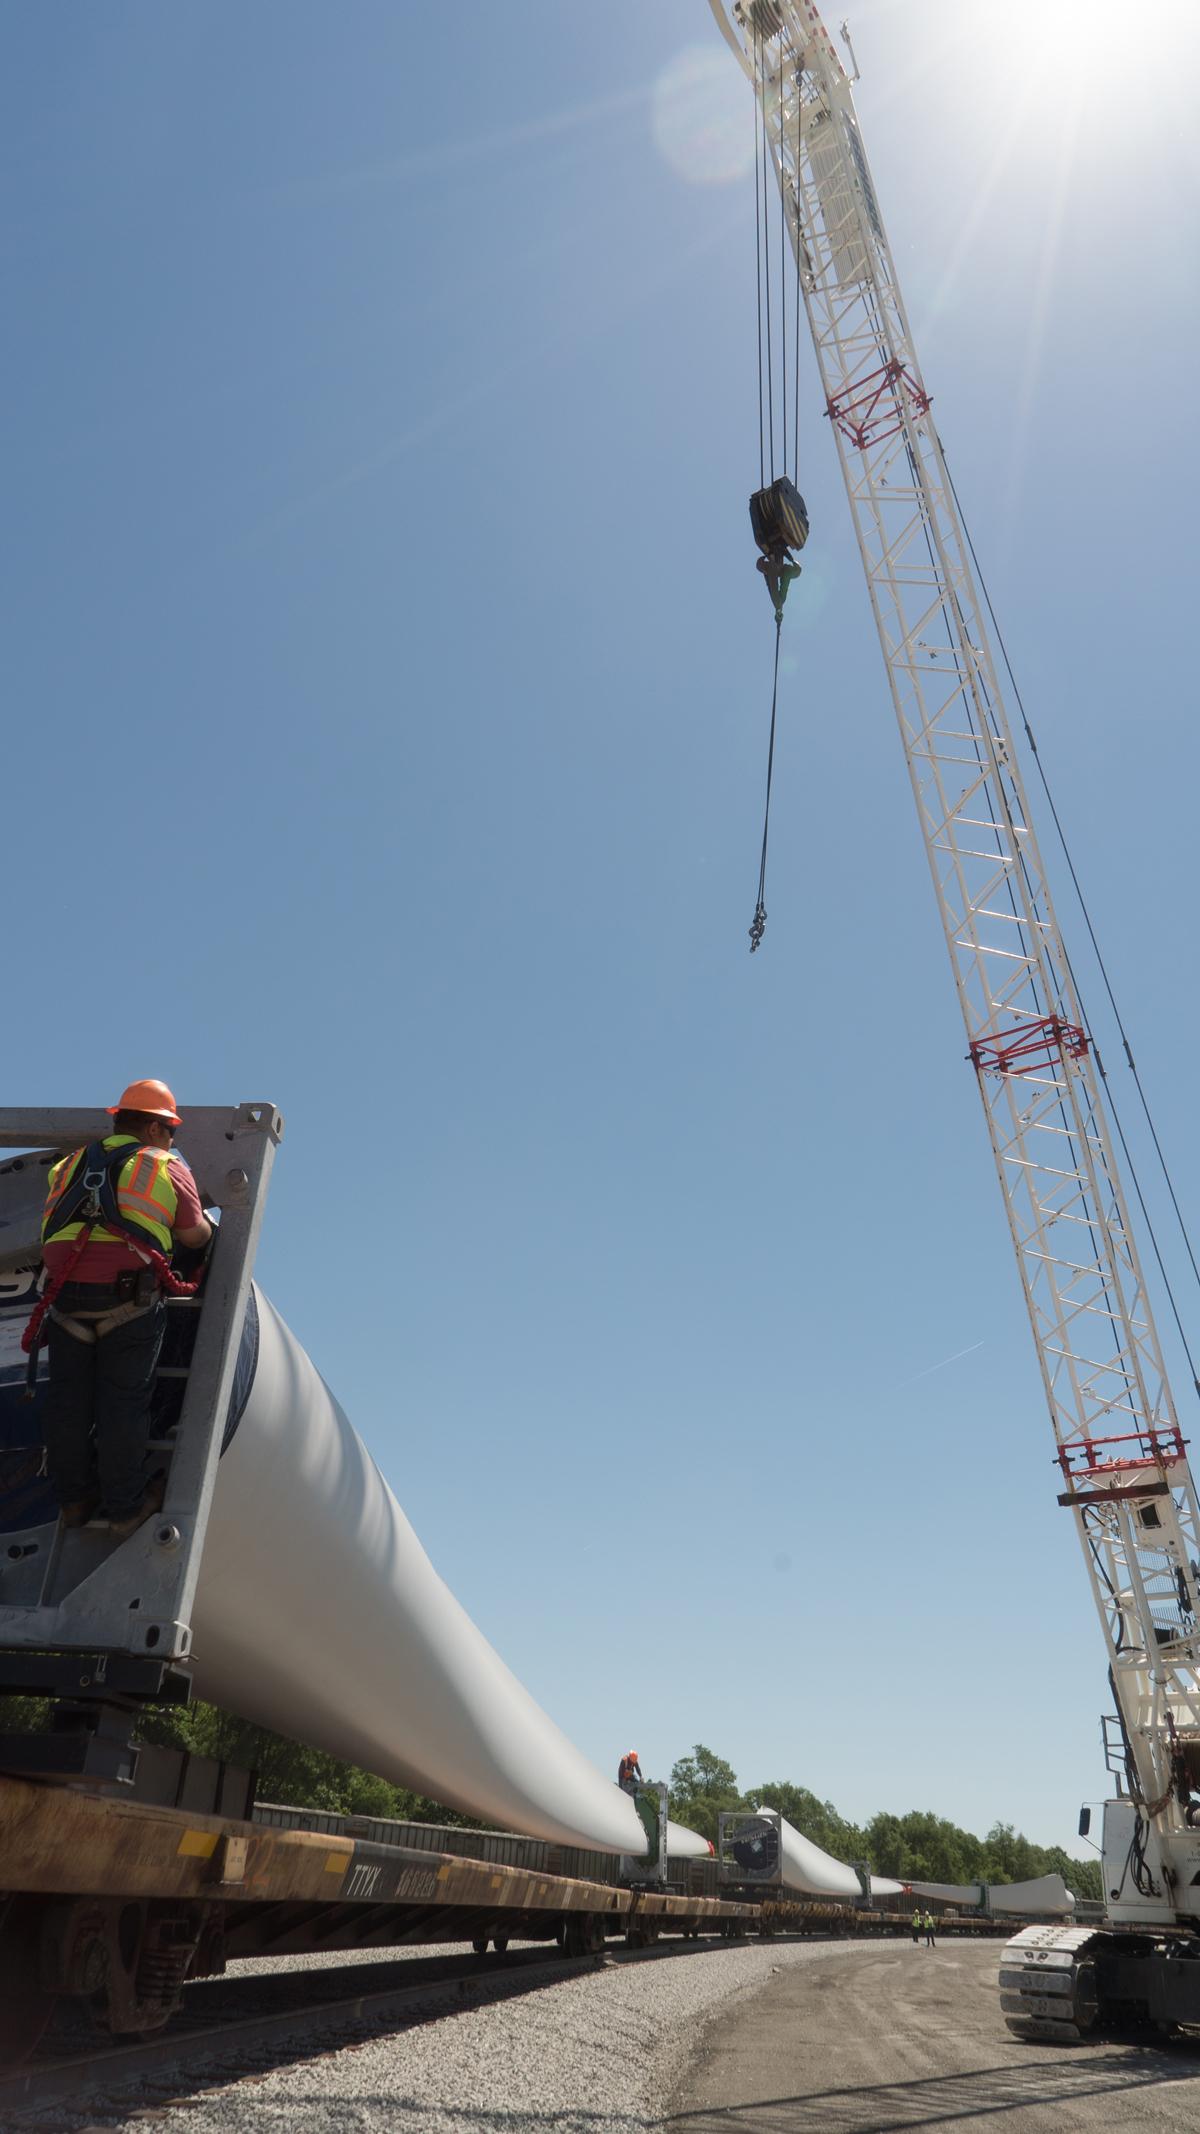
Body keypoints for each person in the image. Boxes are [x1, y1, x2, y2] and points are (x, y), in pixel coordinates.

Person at [38, 1080, 211, 1539]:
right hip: (128, 1302)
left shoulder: (68, 1165)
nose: (173, 1141)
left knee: (68, 1405)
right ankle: (126, 1508)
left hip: (65, 1303)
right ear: (155, 1128)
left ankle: (74, 1502)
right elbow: (194, 1236)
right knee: (124, 1405)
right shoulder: (164, 1165)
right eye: (171, 1131)